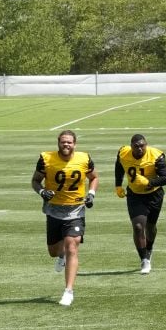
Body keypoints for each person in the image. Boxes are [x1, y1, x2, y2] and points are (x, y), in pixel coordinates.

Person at [30, 130, 99, 306]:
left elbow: (94, 177)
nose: (66, 145)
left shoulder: (84, 158)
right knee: (54, 251)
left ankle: (68, 290)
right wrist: (42, 191)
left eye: (69, 142)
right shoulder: (46, 159)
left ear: (74, 144)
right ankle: (61, 256)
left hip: (76, 210)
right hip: (53, 210)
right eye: (63, 142)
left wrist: (91, 194)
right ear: (58, 143)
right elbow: (35, 181)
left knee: (72, 246)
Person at [114, 134, 166, 274]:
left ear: (146, 145)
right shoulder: (123, 152)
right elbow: (119, 165)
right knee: (138, 226)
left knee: (150, 227)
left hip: (154, 195)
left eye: (142, 145)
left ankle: (149, 248)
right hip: (135, 195)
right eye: (136, 146)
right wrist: (118, 185)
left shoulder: (156, 155)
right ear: (131, 146)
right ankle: (144, 259)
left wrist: (149, 183)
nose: (140, 149)